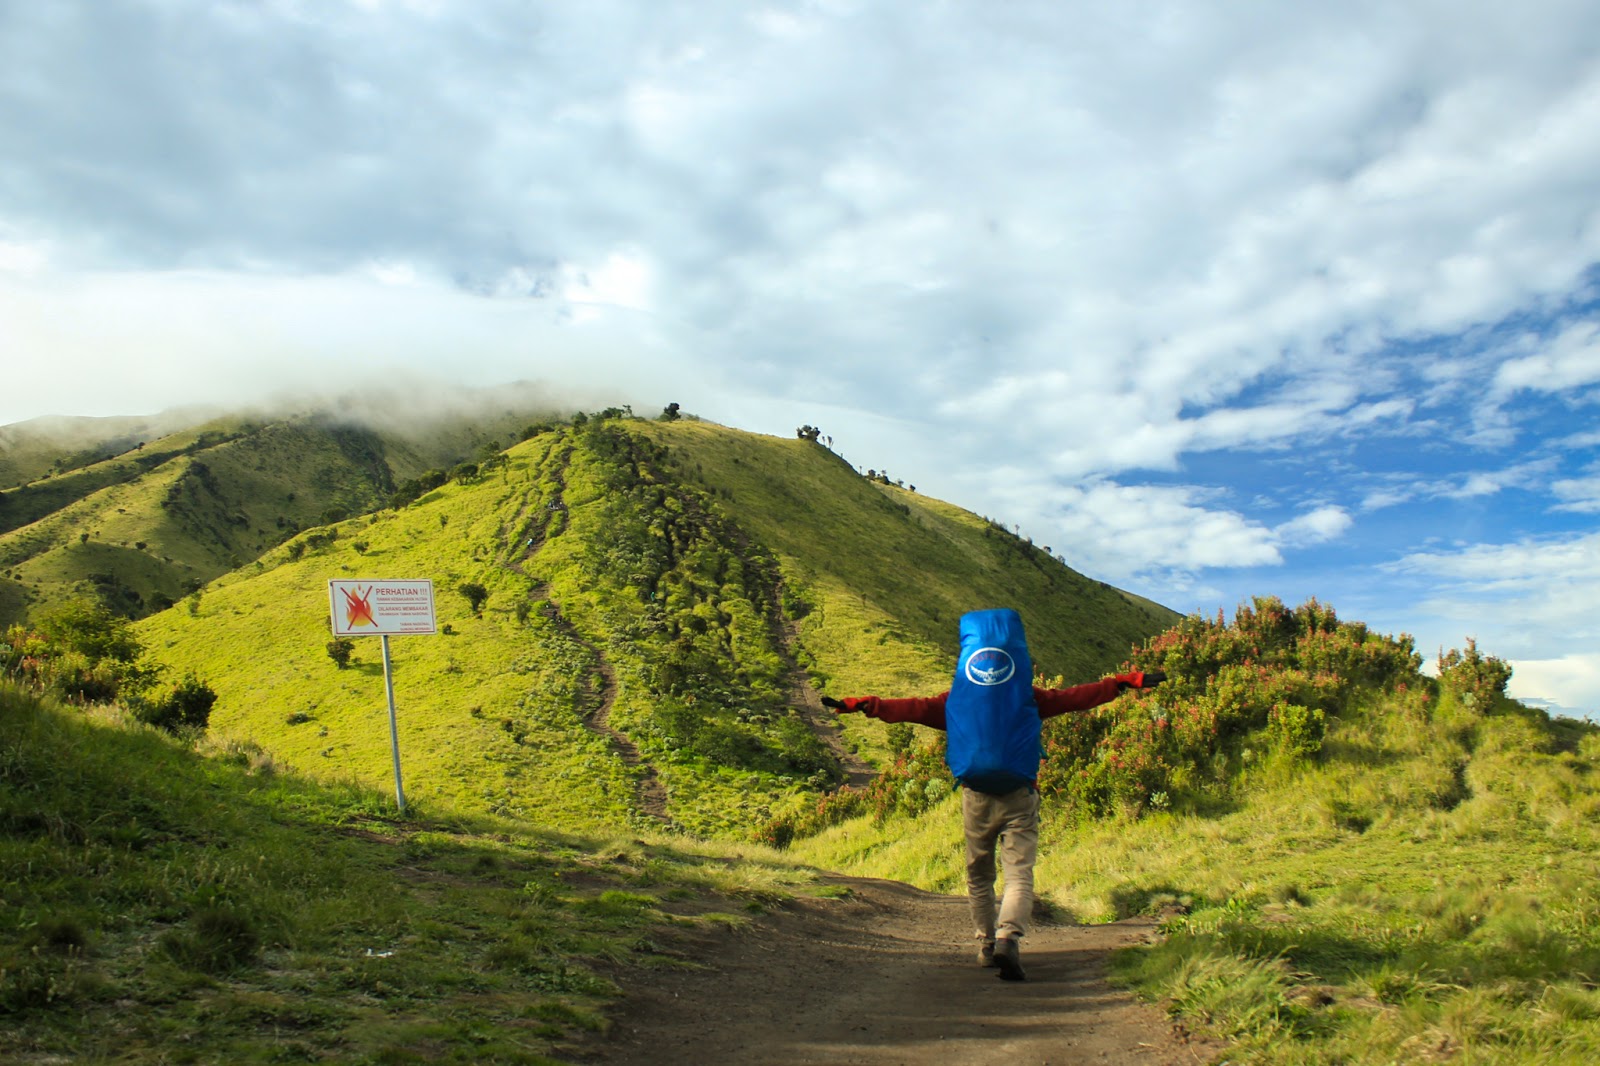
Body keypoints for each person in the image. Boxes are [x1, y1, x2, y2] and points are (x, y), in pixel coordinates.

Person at [822, 608, 1165, 982]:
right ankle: (1008, 937)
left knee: (979, 875)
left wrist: (862, 705)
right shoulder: (1030, 698)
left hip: (977, 798)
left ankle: (986, 945)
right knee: (1018, 873)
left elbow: (910, 709)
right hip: (1020, 795)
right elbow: (1076, 697)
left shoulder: (954, 702)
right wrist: (1122, 683)